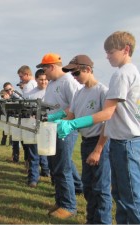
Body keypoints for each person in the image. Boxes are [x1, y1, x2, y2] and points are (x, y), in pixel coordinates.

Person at [55, 31, 140, 224]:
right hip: (121, 141)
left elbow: (108, 114)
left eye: (110, 51)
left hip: (126, 142)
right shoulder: (128, 73)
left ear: (125, 49)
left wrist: (74, 124)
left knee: (130, 198)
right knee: (121, 196)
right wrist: (56, 118)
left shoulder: (121, 75)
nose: (107, 56)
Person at [55, 54, 112, 224]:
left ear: (87, 69)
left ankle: (102, 221)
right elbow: (72, 114)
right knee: (87, 186)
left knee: (101, 188)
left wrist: (98, 150)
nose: (74, 77)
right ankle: (91, 219)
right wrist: (56, 121)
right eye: (71, 74)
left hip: (99, 142)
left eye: (76, 73)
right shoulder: (79, 93)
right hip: (86, 142)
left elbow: (108, 123)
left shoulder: (103, 91)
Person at [36, 52, 83, 219]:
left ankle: (69, 206)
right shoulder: (52, 83)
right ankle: (61, 201)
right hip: (51, 129)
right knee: (55, 167)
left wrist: (59, 119)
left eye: (44, 69)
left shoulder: (68, 82)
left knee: (62, 168)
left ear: (52, 67)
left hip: (65, 130)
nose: (44, 73)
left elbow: (76, 106)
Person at [25, 69, 50, 187]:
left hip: (48, 126)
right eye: (41, 79)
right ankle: (33, 178)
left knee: (47, 152)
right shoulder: (30, 94)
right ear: (36, 80)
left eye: (45, 79)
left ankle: (46, 171)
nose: (44, 82)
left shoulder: (51, 92)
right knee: (34, 153)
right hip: (34, 125)